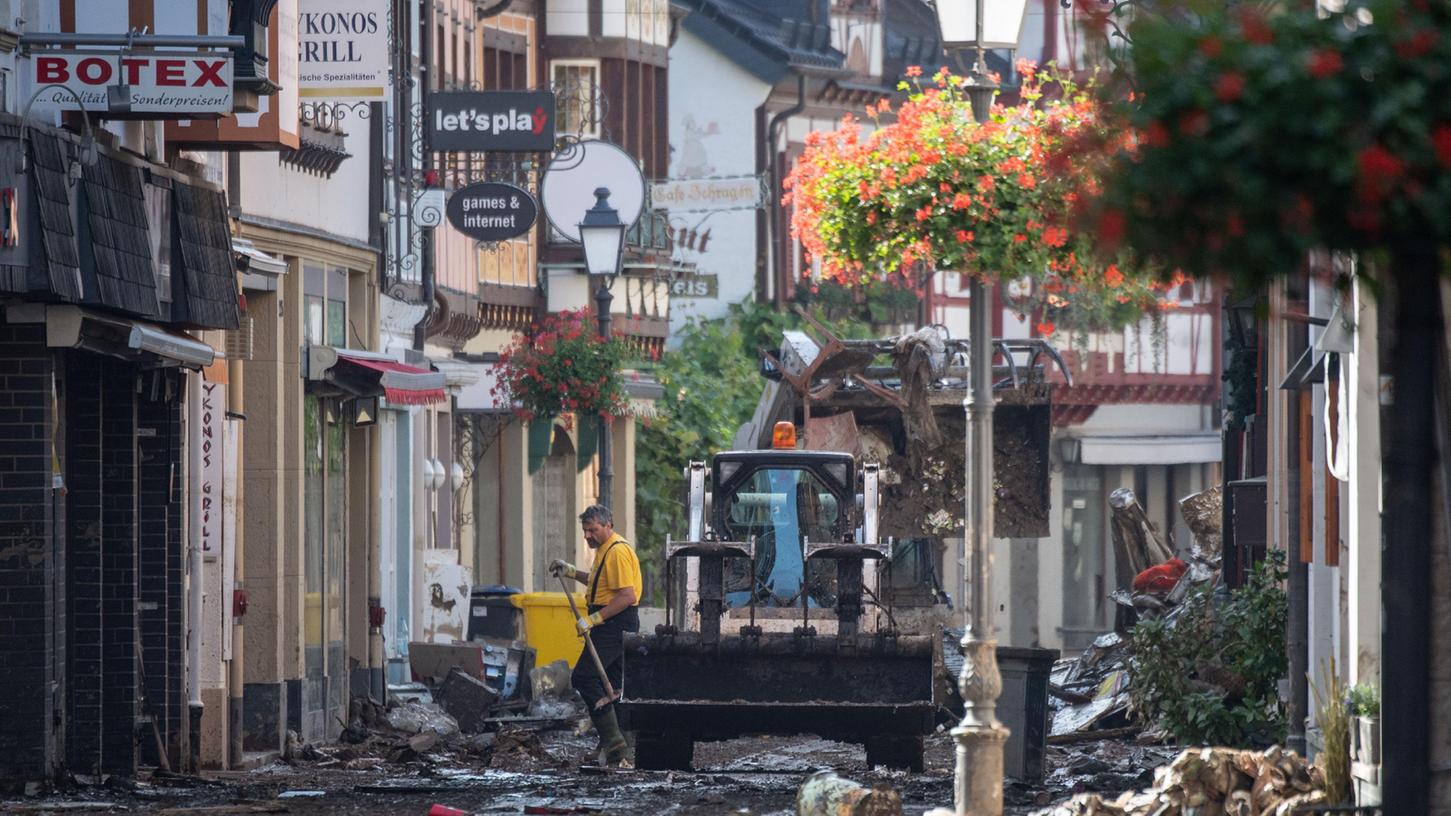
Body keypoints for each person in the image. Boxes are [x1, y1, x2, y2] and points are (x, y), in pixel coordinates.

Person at [549, 504, 642, 767]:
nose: (588, 535)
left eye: (594, 530)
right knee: (614, 685)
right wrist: (570, 571)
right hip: (612, 621)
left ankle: (612, 738)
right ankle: (620, 750)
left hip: (614, 622)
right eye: (586, 531)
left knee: (584, 676)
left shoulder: (618, 552)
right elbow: (598, 581)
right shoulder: (606, 550)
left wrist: (594, 619)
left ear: (608, 525)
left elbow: (627, 596)